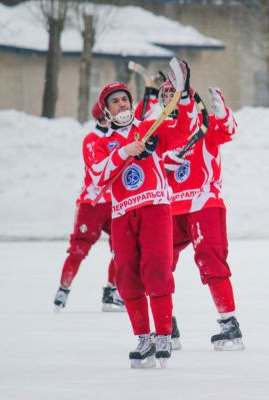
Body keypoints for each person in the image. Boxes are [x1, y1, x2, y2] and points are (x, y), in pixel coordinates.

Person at [90, 61, 199, 368]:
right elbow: (98, 174)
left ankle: (164, 334)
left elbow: (183, 131)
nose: (122, 104)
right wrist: (125, 151)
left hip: (155, 206)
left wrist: (186, 96)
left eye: (125, 98)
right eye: (115, 101)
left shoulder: (149, 125)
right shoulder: (102, 143)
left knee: (156, 269)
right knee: (126, 275)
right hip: (123, 213)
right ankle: (144, 337)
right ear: (107, 111)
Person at [159, 80, 244, 350]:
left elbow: (228, 131)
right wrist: (164, 163)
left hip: (203, 202)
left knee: (211, 262)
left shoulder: (202, 124)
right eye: (166, 95)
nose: (170, 100)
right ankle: (165, 325)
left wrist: (222, 114)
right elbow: (146, 163)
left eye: (176, 95)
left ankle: (230, 325)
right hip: (169, 207)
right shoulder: (159, 129)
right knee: (159, 265)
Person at [53, 102, 125, 313]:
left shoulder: (116, 137)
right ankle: (63, 290)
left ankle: (112, 293)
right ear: (103, 115)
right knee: (79, 248)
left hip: (114, 202)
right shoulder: (92, 139)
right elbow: (100, 171)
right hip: (92, 204)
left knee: (121, 248)